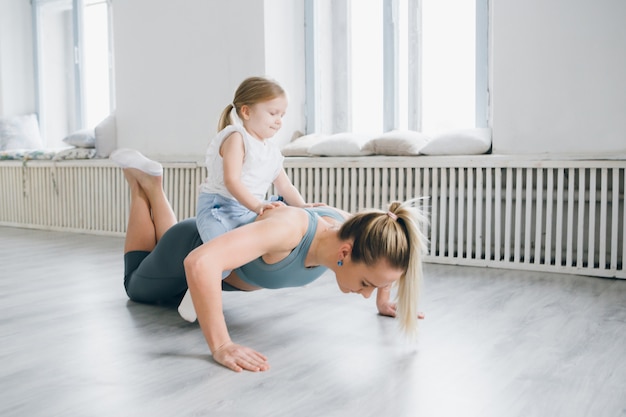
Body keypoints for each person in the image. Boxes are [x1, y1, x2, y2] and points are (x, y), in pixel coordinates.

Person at [111, 149, 427, 373]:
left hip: (212, 255)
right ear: (346, 253)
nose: (367, 293)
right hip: (187, 248)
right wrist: (221, 346)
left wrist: (383, 300)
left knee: (163, 267)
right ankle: (143, 188)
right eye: (367, 285)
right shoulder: (289, 229)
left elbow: (385, 254)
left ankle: (152, 188)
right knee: (134, 285)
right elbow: (199, 264)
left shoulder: (353, 228)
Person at [180, 76, 322, 322]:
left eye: (282, 115)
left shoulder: (270, 150)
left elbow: (284, 184)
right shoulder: (237, 137)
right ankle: (193, 300)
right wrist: (258, 205)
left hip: (247, 210)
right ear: (246, 111)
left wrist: (303, 206)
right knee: (221, 260)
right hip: (219, 208)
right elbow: (232, 181)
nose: (279, 121)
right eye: (273, 113)